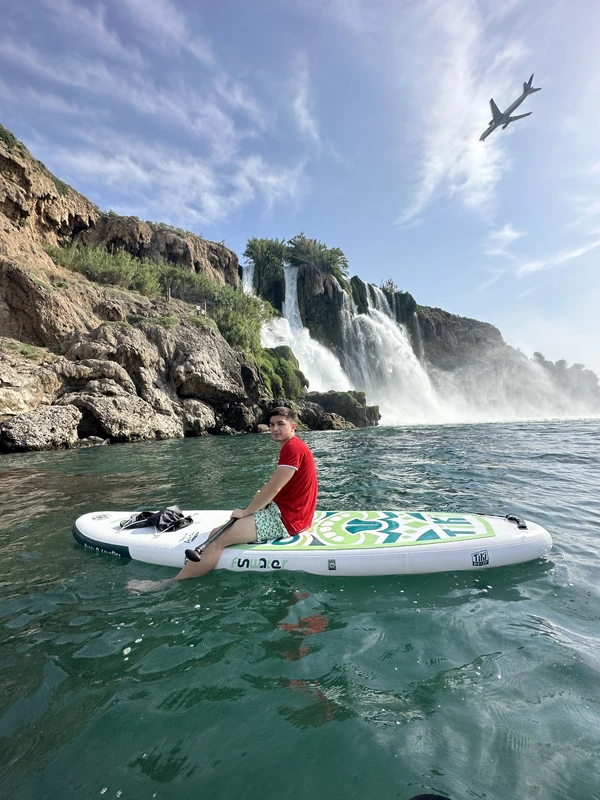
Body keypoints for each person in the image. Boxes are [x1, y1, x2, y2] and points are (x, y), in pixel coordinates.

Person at [128, 406, 317, 592]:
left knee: (216, 537)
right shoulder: (296, 446)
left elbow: (274, 487)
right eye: (272, 424)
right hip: (297, 513)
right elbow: (283, 486)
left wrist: (247, 511)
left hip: (286, 519)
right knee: (256, 500)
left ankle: (171, 583)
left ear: (293, 427)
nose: (274, 429)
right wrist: (264, 500)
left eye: (280, 424)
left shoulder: (291, 449)